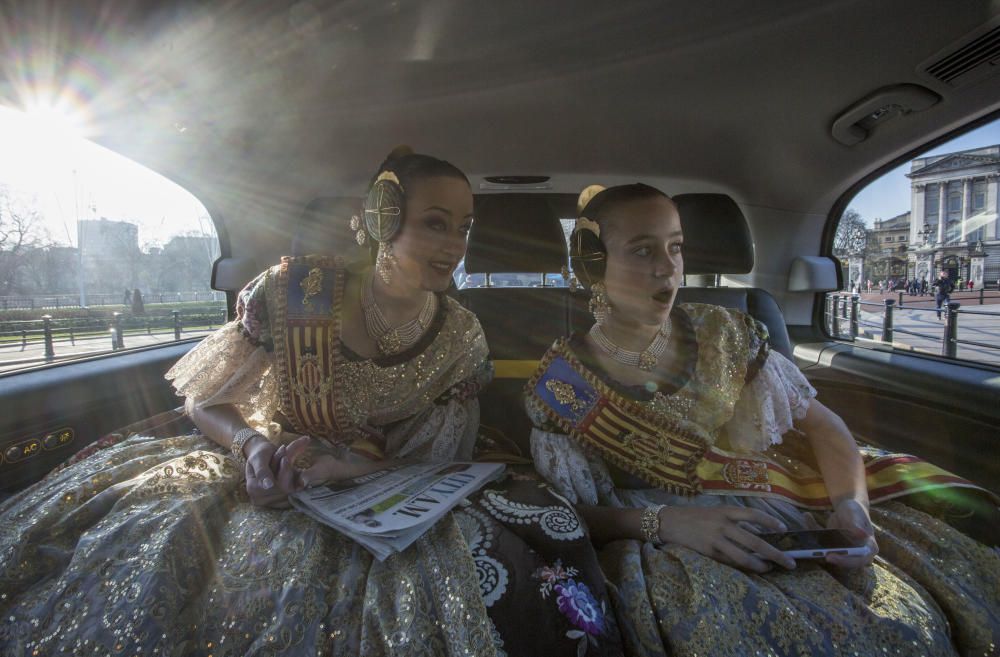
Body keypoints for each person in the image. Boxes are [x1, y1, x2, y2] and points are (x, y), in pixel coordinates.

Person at [0, 149, 622, 657]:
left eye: (463, 228)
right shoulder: (292, 291)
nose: (455, 243)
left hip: (374, 485)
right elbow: (205, 401)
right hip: (252, 474)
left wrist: (345, 467)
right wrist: (255, 446)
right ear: (383, 217)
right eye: (436, 222)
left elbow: (441, 457)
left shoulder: (461, 335)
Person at [524, 183, 999, 657]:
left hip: (777, 506)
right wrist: (665, 524)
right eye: (642, 250)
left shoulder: (725, 334)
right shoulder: (562, 383)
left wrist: (853, 508)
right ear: (593, 264)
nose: (668, 266)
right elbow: (566, 515)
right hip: (661, 539)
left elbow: (826, 429)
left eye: (676, 247)